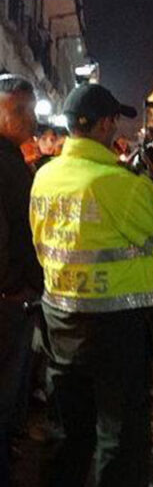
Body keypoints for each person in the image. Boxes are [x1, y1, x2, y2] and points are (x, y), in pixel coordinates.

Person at [30, 83, 153, 486]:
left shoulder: (45, 177)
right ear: (105, 125)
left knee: (67, 433)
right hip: (116, 328)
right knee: (119, 438)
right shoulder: (121, 185)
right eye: (115, 120)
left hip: (60, 322)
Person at [0, 75, 42, 485]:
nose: (30, 121)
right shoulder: (6, 165)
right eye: (21, 111)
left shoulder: (14, 161)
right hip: (8, 300)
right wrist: (14, 287)